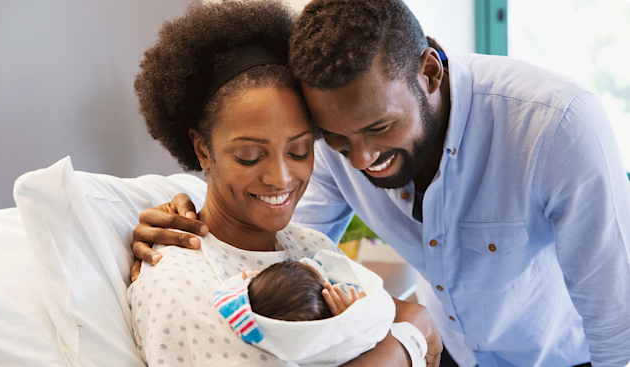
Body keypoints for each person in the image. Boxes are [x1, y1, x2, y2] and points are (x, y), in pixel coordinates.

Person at [129, 0, 630, 366]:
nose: (363, 160)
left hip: (564, 357)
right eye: (335, 141)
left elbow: (618, 325)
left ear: (429, 73)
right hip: (450, 351)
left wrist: (408, 331)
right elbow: (274, 233)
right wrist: (188, 213)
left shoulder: (556, 126)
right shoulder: (335, 146)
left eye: (379, 128)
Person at [127, 0, 438, 366]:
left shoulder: (310, 246)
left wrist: (410, 325)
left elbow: (390, 317)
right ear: (203, 150)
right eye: (249, 156)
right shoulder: (178, 283)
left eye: (300, 151)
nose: (280, 178)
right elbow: (415, 327)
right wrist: (408, 337)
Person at [211, 250, 404, 366]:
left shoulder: (254, 315)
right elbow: (379, 313)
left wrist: (245, 283)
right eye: (323, 281)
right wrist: (351, 318)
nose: (309, 261)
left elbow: (234, 296)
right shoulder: (328, 341)